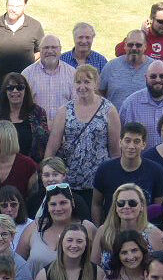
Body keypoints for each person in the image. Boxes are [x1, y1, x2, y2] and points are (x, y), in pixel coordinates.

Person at [46, 65, 122, 193]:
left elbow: (115, 152)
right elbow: (52, 147)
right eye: (78, 82)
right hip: (69, 180)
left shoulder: (109, 110)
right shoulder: (65, 110)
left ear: (96, 84)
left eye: (87, 82)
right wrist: (47, 173)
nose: (82, 86)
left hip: (99, 181)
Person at [92, 123, 163, 222]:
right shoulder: (105, 169)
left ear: (144, 144)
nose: (131, 146)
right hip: (112, 229)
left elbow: (158, 208)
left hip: (144, 229)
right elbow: (96, 204)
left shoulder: (156, 170)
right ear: (120, 142)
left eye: (136, 141)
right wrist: (100, 230)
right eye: (127, 141)